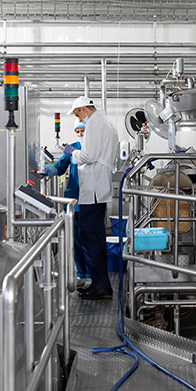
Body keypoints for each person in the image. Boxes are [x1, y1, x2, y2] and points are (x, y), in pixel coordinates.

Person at [69, 97, 119, 300]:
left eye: (78, 114)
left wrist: (73, 151)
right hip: (99, 186)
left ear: (83, 109)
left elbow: (89, 156)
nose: (79, 120)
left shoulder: (95, 123)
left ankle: (100, 284)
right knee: (96, 236)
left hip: (94, 188)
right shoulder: (106, 122)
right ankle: (100, 283)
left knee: (89, 235)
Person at [42, 122, 91, 284]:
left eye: (82, 130)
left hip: (91, 198)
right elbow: (61, 167)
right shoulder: (72, 148)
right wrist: (50, 170)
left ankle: (92, 272)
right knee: (76, 238)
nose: (80, 133)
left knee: (89, 238)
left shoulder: (94, 147)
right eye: (77, 131)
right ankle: (82, 273)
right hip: (74, 198)